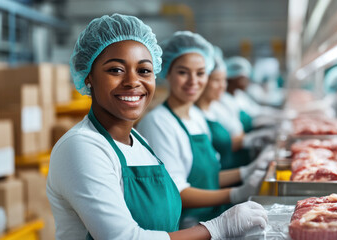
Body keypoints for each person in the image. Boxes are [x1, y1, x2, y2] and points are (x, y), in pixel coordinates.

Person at [46, 14, 268, 240]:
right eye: (115, 70)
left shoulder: (138, 142)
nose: (133, 82)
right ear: (88, 77)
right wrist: (215, 229)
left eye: (144, 70)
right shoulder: (81, 147)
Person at [137, 31, 268, 228]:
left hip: (214, 216)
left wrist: (247, 172)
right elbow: (176, 191)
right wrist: (235, 193)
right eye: (183, 72)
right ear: (166, 73)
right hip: (189, 226)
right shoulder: (158, 122)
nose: (193, 81)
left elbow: (207, 177)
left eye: (200, 73)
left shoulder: (196, 117)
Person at [195, 46, 275, 170]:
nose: (222, 86)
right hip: (226, 171)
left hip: (232, 169)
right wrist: (251, 139)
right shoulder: (198, 113)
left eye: (223, 80)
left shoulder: (217, 106)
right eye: (216, 80)